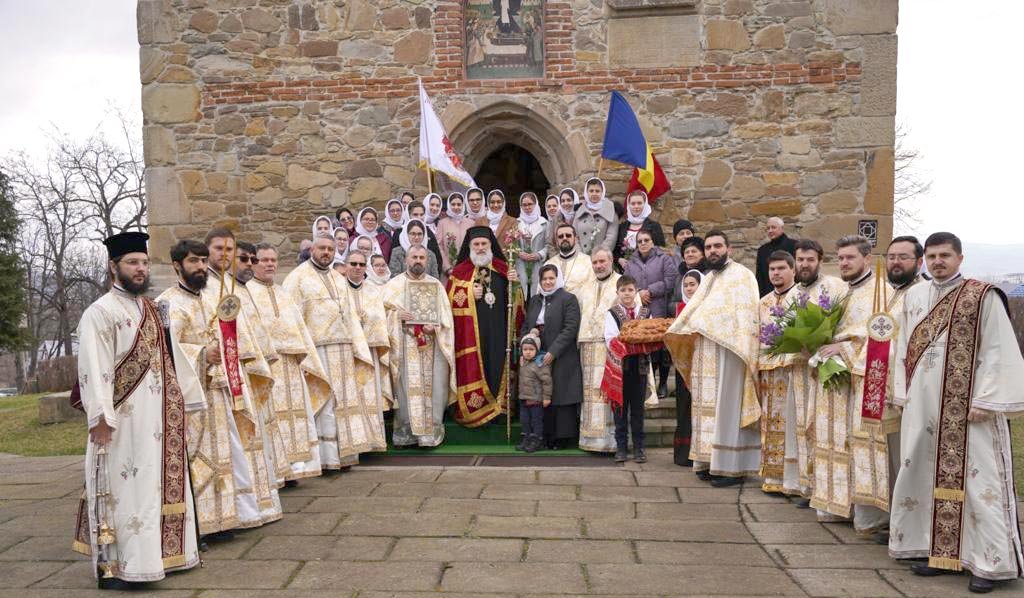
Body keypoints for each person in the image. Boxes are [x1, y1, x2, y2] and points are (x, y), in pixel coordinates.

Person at [889, 232, 1024, 593]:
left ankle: (990, 563)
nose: (937, 262)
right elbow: (902, 350)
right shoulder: (914, 296)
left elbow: (998, 348)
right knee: (926, 477)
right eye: (931, 256)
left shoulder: (981, 296)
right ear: (924, 261)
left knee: (981, 484)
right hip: (925, 408)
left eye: (944, 255)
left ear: (960, 258)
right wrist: (902, 396)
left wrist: (986, 398)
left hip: (970, 410)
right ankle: (941, 554)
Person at [73, 232, 202, 588]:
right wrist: (99, 417)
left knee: (153, 489)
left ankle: (161, 556)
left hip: (159, 420)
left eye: (144, 263)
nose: (140, 269)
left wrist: (185, 403)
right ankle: (122, 567)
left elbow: (172, 361)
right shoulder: (99, 313)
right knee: (125, 492)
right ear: (113, 267)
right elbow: (92, 369)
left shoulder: (151, 309)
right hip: (121, 422)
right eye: (132, 262)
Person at [156, 236, 276, 538]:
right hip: (190, 395)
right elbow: (161, 351)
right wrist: (199, 353)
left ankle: (228, 518)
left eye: (201, 261)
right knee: (198, 458)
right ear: (176, 266)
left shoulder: (210, 297)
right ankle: (202, 525)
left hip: (220, 388)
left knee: (229, 453)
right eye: (192, 261)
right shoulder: (165, 304)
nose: (199, 266)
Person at [664, 230, 761, 487]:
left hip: (730, 353)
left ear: (729, 248)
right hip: (705, 352)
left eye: (717, 246)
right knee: (705, 410)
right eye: (708, 247)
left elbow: (746, 317)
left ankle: (730, 467)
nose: (712, 251)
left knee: (726, 409)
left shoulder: (742, 276)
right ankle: (707, 460)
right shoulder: (707, 279)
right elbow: (694, 313)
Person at [283, 233, 384, 468]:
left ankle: (345, 455)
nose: (326, 252)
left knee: (345, 403)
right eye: (322, 248)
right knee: (324, 401)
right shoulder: (296, 279)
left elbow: (349, 315)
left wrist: (358, 347)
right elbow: (291, 318)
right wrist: (302, 355)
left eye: (330, 249)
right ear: (312, 250)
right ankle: (324, 459)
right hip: (317, 351)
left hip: (344, 349)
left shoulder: (339, 279)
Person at [205, 230, 283, 523]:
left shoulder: (235, 286)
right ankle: (242, 510)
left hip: (245, 371)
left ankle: (259, 504)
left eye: (230, 249)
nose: (224, 255)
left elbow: (251, 327)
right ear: (208, 250)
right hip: (225, 376)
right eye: (219, 249)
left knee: (251, 438)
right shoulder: (208, 286)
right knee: (237, 444)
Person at [811, 235, 888, 532]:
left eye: (850, 258)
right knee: (832, 439)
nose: (844, 263)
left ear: (866, 259)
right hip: (835, 380)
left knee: (859, 442)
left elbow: (881, 333)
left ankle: (867, 511)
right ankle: (836, 503)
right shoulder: (841, 292)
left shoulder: (880, 292)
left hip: (861, 379)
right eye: (840, 258)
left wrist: (842, 348)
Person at [249, 243, 332, 483]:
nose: (270, 264)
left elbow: (301, 330)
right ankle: (277, 471)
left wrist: (308, 363)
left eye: (273, 260)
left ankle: (295, 469)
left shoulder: (284, 292)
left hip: (292, 366)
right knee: (274, 418)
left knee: (296, 417)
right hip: (269, 366)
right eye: (264, 260)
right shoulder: (248, 293)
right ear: (254, 262)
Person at [871, 235, 925, 545]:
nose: (896, 262)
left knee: (911, 457)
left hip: (914, 390)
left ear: (918, 262)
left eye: (903, 257)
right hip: (886, 389)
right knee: (893, 456)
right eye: (891, 257)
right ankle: (898, 521)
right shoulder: (889, 293)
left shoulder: (922, 293)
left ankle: (914, 527)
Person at [785, 238, 847, 501]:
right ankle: (805, 485)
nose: (805, 264)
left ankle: (823, 487)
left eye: (810, 259)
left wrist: (824, 342)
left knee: (821, 428)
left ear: (820, 260)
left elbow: (844, 323)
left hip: (825, 368)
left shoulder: (834, 286)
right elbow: (783, 327)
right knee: (800, 426)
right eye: (800, 260)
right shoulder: (792, 293)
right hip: (800, 369)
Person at [446, 226, 523, 426]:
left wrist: (515, 285)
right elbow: (447, 304)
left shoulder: (503, 268)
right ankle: (477, 410)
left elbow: (517, 303)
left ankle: (500, 409)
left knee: (498, 363)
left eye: (484, 244)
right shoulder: (459, 272)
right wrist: (469, 294)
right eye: (476, 244)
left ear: (491, 245)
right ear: (470, 246)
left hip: (499, 332)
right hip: (472, 335)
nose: (480, 248)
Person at [382, 245, 457, 447]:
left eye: (422, 257)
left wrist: (437, 328)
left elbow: (447, 320)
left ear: (428, 260)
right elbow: (380, 314)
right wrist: (397, 316)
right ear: (406, 259)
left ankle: (429, 433)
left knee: (433, 387)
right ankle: (406, 432)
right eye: (414, 257)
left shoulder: (437, 286)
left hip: (431, 347)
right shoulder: (393, 285)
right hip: (405, 345)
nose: (418, 260)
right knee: (406, 387)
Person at [232, 240, 290, 491]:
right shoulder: (241, 289)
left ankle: (270, 477)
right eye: (254, 260)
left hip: (263, 365)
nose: (254, 264)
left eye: (270, 260)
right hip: (244, 369)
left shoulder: (247, 289)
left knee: (266, 423)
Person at [522, 264, 583, 449]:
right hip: (538, 353)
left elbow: (571, 327)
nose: (548, 282)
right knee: (541, 394)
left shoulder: (568, 299)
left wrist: (553, 351)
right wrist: (527, 339)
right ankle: (543, 436)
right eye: (544, 279)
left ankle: (562, 438)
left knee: (560, 394)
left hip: (561, 353)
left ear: (558, 279)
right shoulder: (534, 300)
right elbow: (525, 326)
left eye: (551, 278)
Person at [756, 251, 797, 494]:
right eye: (772, 269)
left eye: (781, 268)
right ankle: (772, 477)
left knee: (792, 425)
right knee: (769, 425)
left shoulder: (802, 298)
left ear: (793, 270)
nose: (776, 273)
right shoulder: (763, 303)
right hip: (769, 373)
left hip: (792, 372)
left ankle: (793, 480)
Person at [343, 249, 394, 432]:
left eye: (361, 264)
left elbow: (381, 318)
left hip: (371, 353)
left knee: (372, 395)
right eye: (353, 264)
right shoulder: (338, 289)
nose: (357, 268)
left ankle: (374, 438)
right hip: (349, 353)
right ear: (345, 265)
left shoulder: (374, 291)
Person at [575, 249, 620, 453]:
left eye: (602, 261)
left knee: (607, 390)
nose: (599, 265)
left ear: (611, 261)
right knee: (589, 393)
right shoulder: (584, 287)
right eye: (595, 262)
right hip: (587, 345)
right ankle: (590, 440)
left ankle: (610, 442)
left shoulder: (622, 283)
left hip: (610, 347)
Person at [624, 229, 676, 399]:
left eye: (647, 240)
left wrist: (650, 291)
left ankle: (662, 384)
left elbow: (670, 281)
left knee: (663, 349)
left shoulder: (664, 258)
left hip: (660, 307)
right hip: (641, 310)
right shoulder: (631, 263)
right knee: (647, 348)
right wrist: (638, 292)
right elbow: (626, 283)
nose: (643, 243)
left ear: (652, 242)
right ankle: (650, 384)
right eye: (640, 241)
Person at [604, 275, 651, 463]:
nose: (627, 293)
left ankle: (639, 448)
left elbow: (651, 336)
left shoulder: (646, 313)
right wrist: (633, 342)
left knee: (638, 410)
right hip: (620, 370)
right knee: (620, 410)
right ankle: (621, 447)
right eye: (623, 290)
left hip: (639, 368)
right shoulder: (612, 313)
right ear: (617, 293)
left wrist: (636, 341)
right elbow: (610, 339)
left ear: (636, 291)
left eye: (630, 290)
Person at [672, 269, 703, 466]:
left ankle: (700, 452)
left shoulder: (706, 307)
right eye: (686, 285)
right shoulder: (679, 308)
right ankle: (683, 453)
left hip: (702, 364)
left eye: (693, 284)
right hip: (682, 365)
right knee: (683, 407)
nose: (689, 288)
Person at [516, 334, 551, 453]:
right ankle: (526, 439)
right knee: (525, 420)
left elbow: (547, 382)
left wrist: (547, 398)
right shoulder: (523, 362)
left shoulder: (540, 364)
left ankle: (537, 440)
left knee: (536, 421)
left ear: (537, 350)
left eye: (531, 349)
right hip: (524, 398)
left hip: (536, 399)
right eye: (525, 349)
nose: (528, 352)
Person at [614, 190, 666, 270]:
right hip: (624, 271)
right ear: (629, 205)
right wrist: (619, 260)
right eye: (633, 203)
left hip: (648, 270)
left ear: (645, 205)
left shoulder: (654, 226)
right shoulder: (622, 227)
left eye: (639, 203)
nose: (636, 206)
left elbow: (660, 250)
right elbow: (615, 250)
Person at [545, 223, 595, 295]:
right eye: (560, 236)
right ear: (556, 241)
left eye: (568, 235)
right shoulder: (549, 264)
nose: (564, 238)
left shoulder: (588, 262)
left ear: (575, 239)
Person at [514, 191, 548, 299]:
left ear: (535, 204)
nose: (527, 207)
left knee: (537, 294)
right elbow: (511, 244)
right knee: (521, 295)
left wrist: (539, 254)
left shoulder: (544, 223)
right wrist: (519, 253)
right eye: (524, 205)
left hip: (538, 263)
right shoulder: (516, 223)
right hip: (521, 264)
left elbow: (549, 244)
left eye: (530, 204)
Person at [573, 177, 618, 256]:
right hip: (581, 257)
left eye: (597, 191)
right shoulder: (579, 211)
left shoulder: (611, 211)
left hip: (602, 258)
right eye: (591, 191)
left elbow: (611, 237)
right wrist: (580, 254)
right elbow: (574, 235)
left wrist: (599, 255)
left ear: (602, 192)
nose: (594, 194)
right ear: (586, 193)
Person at [755, 217, 797, 297]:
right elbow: (760, 278)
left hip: (792, 294)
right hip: (769, 295)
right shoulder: (762, 250)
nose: (770, 231)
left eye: (773, 227)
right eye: (768, 228)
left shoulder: (794, 246)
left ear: (782, 228)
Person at [437, 192, 474, 280]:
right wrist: (448, 268)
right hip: (448, 273)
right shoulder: (442, 223)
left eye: (459, 204)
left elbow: (474, 245)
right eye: (453, 204)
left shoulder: (471, 223)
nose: (456, 207)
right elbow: (439, 246)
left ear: (463, 205)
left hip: (467, 270)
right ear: (449, 206)